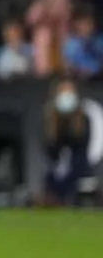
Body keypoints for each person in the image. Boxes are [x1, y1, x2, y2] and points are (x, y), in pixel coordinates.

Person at [41, 76, 91, 207]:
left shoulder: (83, 120)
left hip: (78, 171)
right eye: (63, 92)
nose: (67, 96)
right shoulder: (50, 121)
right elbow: (50, 152)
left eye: (70, 92)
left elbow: (81, 151)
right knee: (50, 181)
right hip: (58, 171)